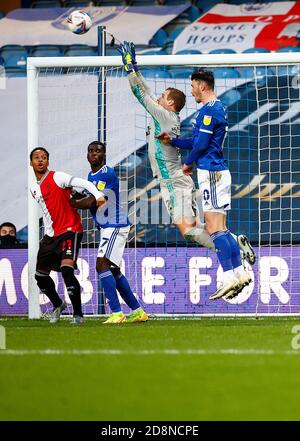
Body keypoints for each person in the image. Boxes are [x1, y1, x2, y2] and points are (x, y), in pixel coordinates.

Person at [119, 42, 255, 284]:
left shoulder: (164, 115)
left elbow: (142, 95)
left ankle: (232, 249)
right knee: (196, 228)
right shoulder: (166, 115)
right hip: (174, 179)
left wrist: (130, 68)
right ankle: (232, 244)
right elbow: (149, 93)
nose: (157, 98)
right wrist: (136, 68)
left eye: (162, 97)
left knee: (190, 230)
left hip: (173, 180)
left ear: (170, 103)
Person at [156, 69, 254, 300]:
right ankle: (239, 273)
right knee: (220, 227)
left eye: (192, 86)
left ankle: (230, 276)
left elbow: (200, 145)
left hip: (211, 172)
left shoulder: (210, 111)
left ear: (201, 85)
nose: (191, 91)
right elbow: (197, 140)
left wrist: (187, 164)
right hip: (217, 172)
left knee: (214, 228)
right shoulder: (216, 109)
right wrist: (174, 141)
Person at [70, 141, 148, 324]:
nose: (94, 153)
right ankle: (137, 312)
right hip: (108, 226)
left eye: (98, 151)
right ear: (87, 155)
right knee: (112, 269)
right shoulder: (91, 175)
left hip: (115, 224)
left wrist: (71, 203)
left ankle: (116, 313)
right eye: (91, 151)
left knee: (101, 265)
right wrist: (73, 193)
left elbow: (96, 201)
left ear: (104, 155)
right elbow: (87, 197)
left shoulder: (107, 173)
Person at [30, 147, 106, 324]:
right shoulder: (34, 189)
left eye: (44, 157)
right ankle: (58, 304)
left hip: (70, 230)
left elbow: (85, 184)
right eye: (36, 158)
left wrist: (98, 195)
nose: (40, 160)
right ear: (31, 163)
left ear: (48, 161)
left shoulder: (58, 177)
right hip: (50, 235)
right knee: (40, 276)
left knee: (66, 270)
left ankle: (78, 315)